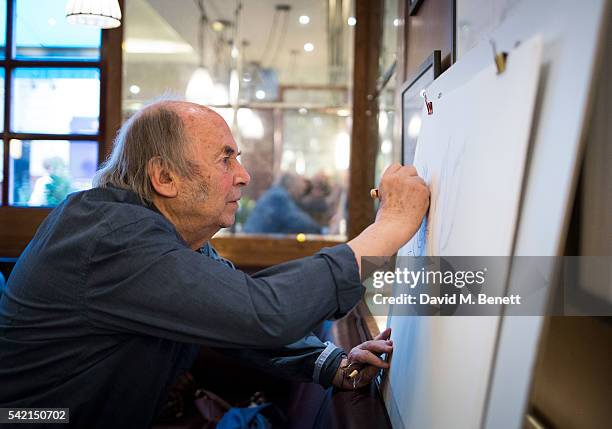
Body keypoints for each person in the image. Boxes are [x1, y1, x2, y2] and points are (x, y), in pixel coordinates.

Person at [0, 100, 429, 428]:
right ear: (164, 178)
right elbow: (265, 313)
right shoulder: (114, 236)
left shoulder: (162, 234)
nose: (243, 175)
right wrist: (389, 226)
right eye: (226, 159)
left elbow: (235, 313)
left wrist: (330, 363)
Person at [243, 172, 322, 234]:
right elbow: (300, 222)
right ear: (292, 184)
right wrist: (322, 230)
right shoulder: (279, 197)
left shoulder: (275, 193)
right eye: (301, 184)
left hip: (256, 242)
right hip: (254, 246)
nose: (303, 189)